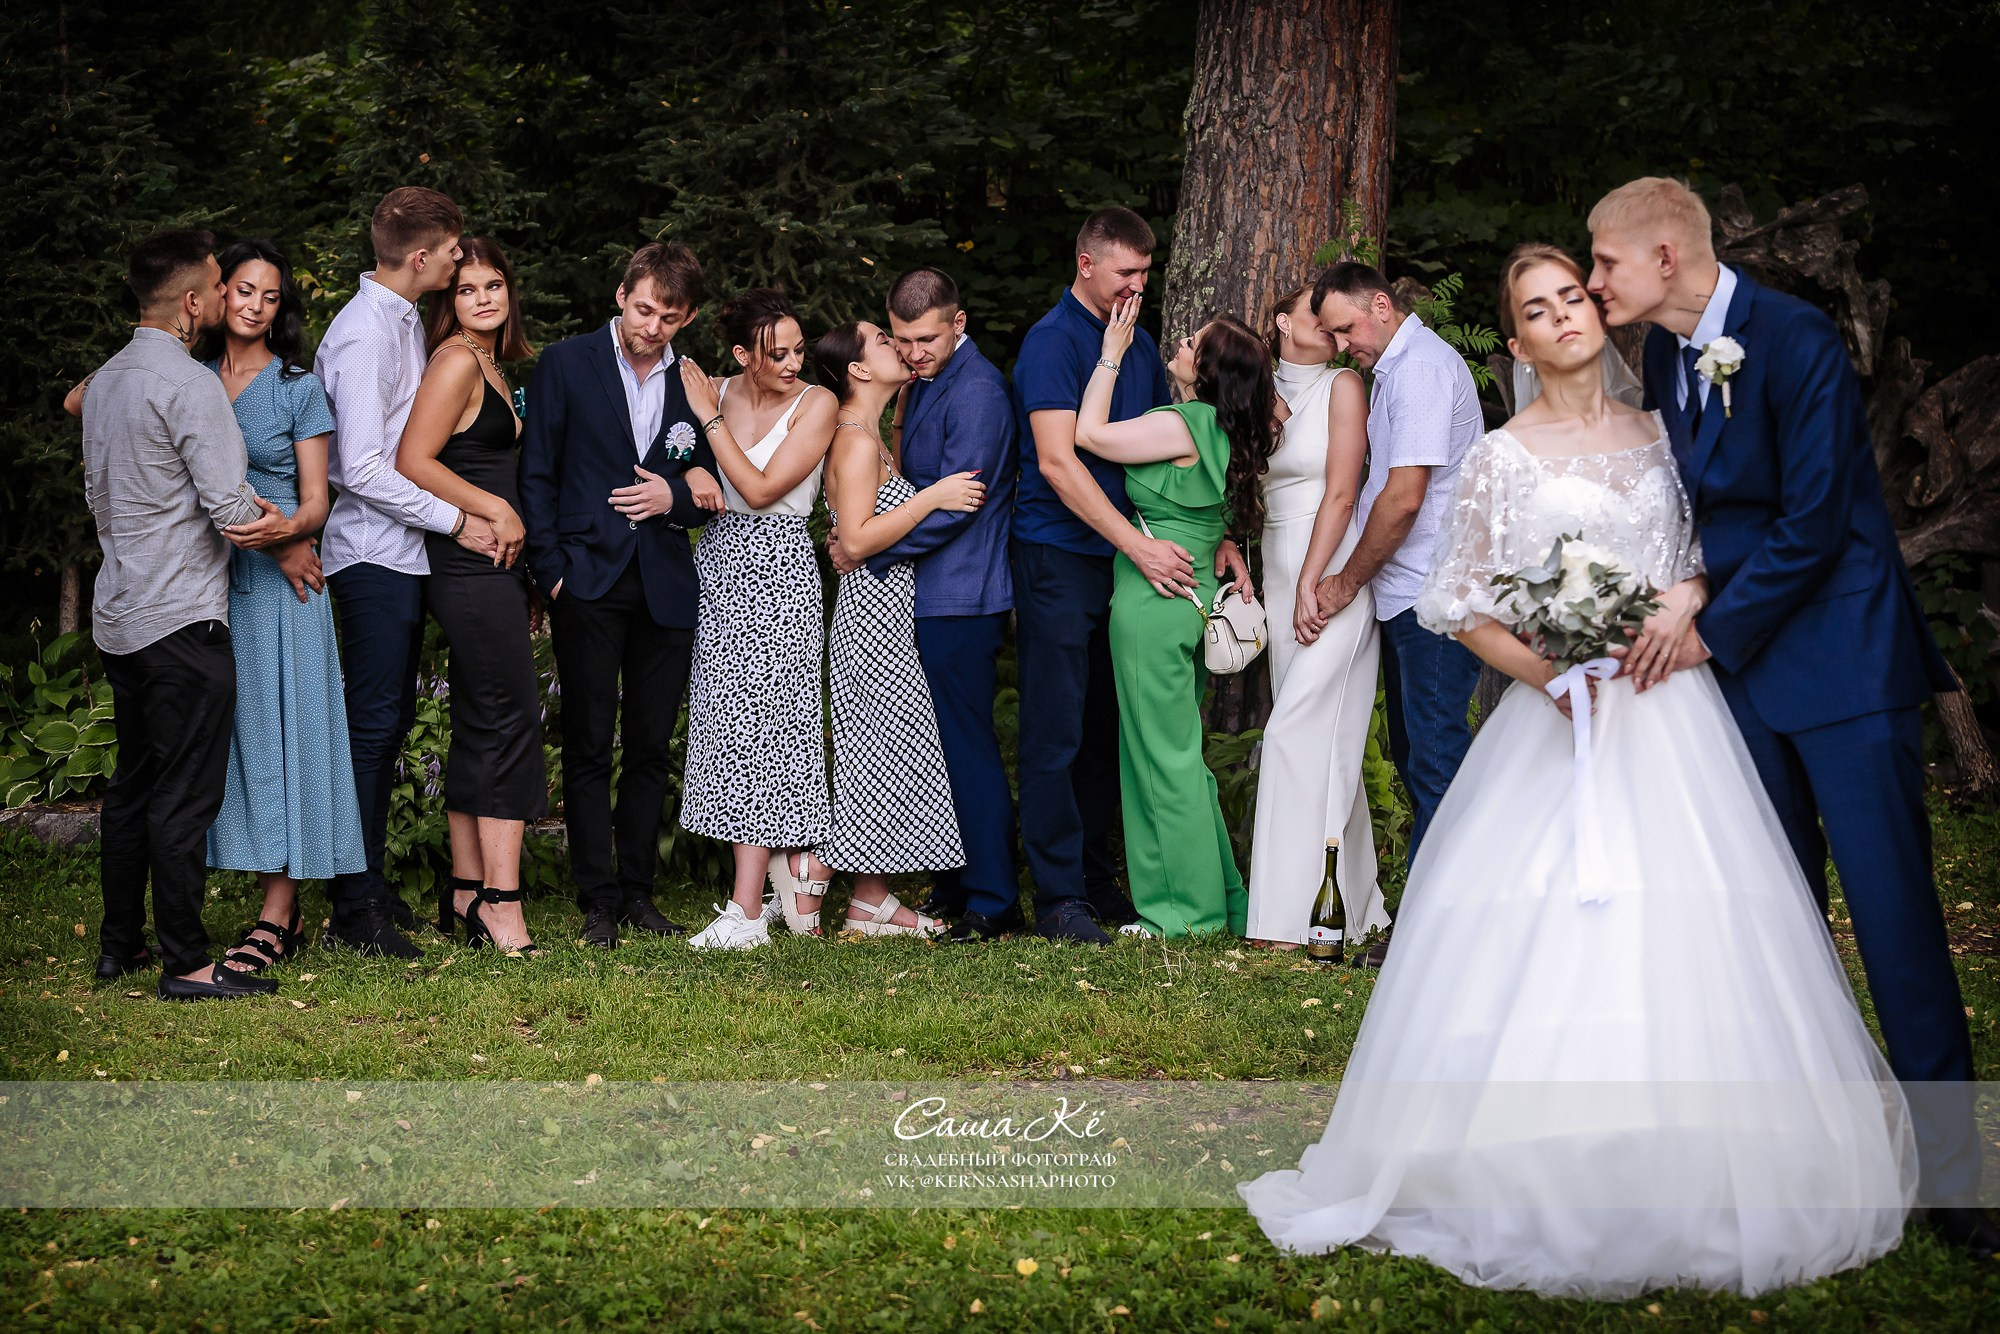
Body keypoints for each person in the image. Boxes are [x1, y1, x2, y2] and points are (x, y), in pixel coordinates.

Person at [1241, 244, 1916, 1297]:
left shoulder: (1664, 437)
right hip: (1558, 714)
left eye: (1572, 297)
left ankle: (1705, 1147)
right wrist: (1550, 671)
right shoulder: (1500, 456)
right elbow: (1456, 603)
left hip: (1673, 707)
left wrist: (1687, 601)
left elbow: (1703, 558)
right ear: (1514, 342)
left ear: (1598, 318)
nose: (1561, 315)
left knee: (1695, 920)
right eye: (1536, 307)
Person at [1589, 177, 1992, 1258]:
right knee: (1774, 922)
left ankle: (1957, 1179)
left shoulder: (1797, 336)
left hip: (1843, 662)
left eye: (1604, 261)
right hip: (1742, 679)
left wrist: (1705, 626)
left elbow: (1815, 519)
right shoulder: (1663, 356)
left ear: (1665, 255)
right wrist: (1675, 587)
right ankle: (1817, 1155)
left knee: (1895, 921)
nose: (1593, 281)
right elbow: (1691, 506)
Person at [1011, 208, 1251, 945]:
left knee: (1107, 729)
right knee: (1055, 728)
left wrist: (1215, 535)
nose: (1138, 286)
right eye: (1126, 272)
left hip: (1128, 563)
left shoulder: (1140, 343)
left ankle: (1096, 878)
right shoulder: (1052, 343)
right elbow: (1060, 461)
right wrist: (1139, 548)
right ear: (1086, 264)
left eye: (1146, 272)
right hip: (1061, 554)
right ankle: (1058, 897)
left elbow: (1179, 452)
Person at [81, 229, 298, 1001]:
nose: (226, 295)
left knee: (134, 786)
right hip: (182, 620)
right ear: (192, 302)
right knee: (183, 795)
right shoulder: (189, 384)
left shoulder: (105, 381)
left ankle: (120, 946)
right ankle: (185, 961)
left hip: (120, 615)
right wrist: (289, 531)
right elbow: (231, 511)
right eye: (217, 284)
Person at [519, 242, 725, 949]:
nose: (652, 326)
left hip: (664, 582)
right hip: (586, 579)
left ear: (686, 316)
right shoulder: (565, 363)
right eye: (643, 310)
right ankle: (597, 899)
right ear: (621, 296)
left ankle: (638, 892)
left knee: (648, 747)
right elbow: (537, 473)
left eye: (669, 316)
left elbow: (711, 483)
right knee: (587, 744)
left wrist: (675, 497)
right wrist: (551, 572)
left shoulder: (694, 384)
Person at [316, 186, 497, 958]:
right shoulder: (364, 335)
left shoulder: (402, 321)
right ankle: (353, 909)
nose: (460, 260)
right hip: (369, 554)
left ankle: (369, 885)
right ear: (421, 257)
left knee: (387, 726)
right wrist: (456, 519)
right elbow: (359, 466)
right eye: (453, 251)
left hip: (401, 552)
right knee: (371, 727)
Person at [780, 321, 985, 936]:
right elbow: (858, 538)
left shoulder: (870, 432)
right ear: (859, 369)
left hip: (888, 608)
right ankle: (809, 869)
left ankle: (871, 901)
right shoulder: (853, 440)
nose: (898, 345)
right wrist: (933, 497)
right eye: (882, 339)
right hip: (873, 615)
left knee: (889, 758)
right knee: (878, 759)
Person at [1076, 303, 1274, 939]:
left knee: (1158, 759)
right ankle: (1223, 900)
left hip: (1153, 602)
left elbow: (1088, 434)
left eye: (1194, 343)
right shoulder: (1228, 431)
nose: (1182, 344)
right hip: (1191, 601)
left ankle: (1183, 914)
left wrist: (1110, 354)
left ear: (1209, 371)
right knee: (1181, 755)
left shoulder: (1184, 423)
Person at [196, 239, 367, 973]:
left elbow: (317, 501)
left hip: (283, 592)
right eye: (244, 290)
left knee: (284, 737)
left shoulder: (298, 387)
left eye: (270, 296)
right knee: (230, 740)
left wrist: (285, 537)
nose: (256, 306)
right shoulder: (190, 378)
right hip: (204, 583)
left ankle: (278, 912)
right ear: (217, 293)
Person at [1309, 261, 1484, 967]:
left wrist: (1346, 581)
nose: (1341, 345)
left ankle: (1435, 933)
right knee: (1418, 760)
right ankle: (1447, 920)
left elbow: (1405, 497)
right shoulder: (1395, 371)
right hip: (1410, 594)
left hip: (1433, 596)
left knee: (1436, 763)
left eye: (1344, 329)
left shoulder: (1420, 371)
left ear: (1381, 305)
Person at [843, 267, 1021, 939]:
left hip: (963, 594)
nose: (915, 352)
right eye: (903, 339)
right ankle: (955, 883)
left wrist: (872, 551)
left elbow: (958, 506)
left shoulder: (977, 390)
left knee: (967, 747)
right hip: (926, 591)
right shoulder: (924, 383)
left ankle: (994, 900)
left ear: (959, 323)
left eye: (928, 338)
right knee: (940, 748)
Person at [395, 237, 546, 955]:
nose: (483, 299)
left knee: (482, 719)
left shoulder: (492, 363)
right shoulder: (455, 360)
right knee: (510, 722)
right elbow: (412, 460)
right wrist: (495, 509)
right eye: (466, 289)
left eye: (493, 286)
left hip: (495, 567)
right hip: (467, 563)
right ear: (448, 301)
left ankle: (464, 891)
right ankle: (502, 906)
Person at [677, 290, 837, 951]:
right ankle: (761, 897)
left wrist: (709, 423)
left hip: (780, 568)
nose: (794, 363)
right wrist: (692, 467)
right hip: (719, 564)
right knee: (726, 730)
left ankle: (745, 913)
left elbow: (762, 488)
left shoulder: (818, 404)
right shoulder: (712, 390)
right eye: (778, 354)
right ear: (744, 355)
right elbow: (676, 455)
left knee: (769, 731)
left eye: (799, 350)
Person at [1243, 286, 1388, 949]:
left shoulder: (1343, 387)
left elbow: (1342, 491)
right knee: (1322, 740)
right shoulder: (1258, 386)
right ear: (1282, 322)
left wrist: (1314, 581)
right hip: (1278, 569)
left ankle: (1285, 919)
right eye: (1314, 316)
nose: (1330, 329)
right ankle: (1351, 908)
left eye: (1336, 322)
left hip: (1330, 570)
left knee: (1293, 733)